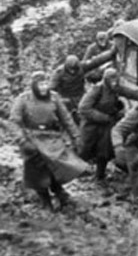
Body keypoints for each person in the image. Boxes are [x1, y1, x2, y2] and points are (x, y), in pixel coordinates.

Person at [10, 71, 88, 211]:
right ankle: (45, 199)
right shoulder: (23, 99)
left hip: (51, 136)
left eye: (46, 83)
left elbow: (66, 119)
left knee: (58, 165)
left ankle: (59, 191)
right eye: (40, 84)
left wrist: (76, 137)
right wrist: (22, 140)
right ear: (34, 85)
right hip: (32, 137)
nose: (44, 87)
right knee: (38, 170)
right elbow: (14, 122)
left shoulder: (54, 98)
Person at [78, 68, 138, 182]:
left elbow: (133, 93)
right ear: (105, 80)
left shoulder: (116, 89)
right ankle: (76, 173)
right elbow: (83, 108)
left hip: (106, 124)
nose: (114, 82)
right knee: (85, 149)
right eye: (111, 80)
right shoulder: (97, 90)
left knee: (104, 150)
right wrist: (103, 117)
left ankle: (100, 175)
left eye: (116, 79)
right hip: (91, 125)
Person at [51, 53, 115, 123]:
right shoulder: (59, 73)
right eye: (71, 70)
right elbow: (52, 89)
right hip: (66, 98)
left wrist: (111, 53)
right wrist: (59, 100)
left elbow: (96, 61)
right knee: (67, 118)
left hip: (80, 95)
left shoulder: (82, 66)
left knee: (88, 111)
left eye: (75, 69)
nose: (73, 72)